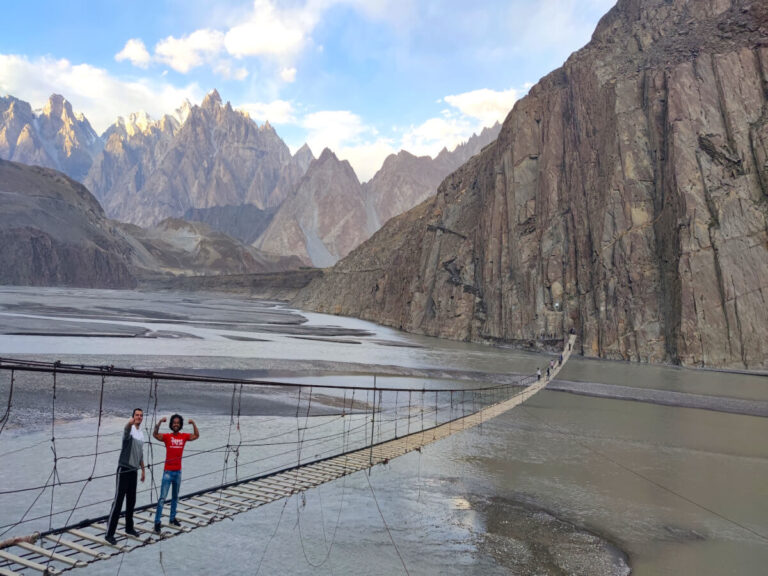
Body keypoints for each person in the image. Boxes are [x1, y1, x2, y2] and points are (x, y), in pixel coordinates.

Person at [153, 414, 199, 532]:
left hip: (178, 472)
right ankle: (157, 522)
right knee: (162, 498)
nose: (176, 424)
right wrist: (159, 422)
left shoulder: (184, 436)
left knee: (175, 497)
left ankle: (172, 518)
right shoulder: (167, 437)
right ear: (171, 424)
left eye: (178, 423)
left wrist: (193, 423)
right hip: (167, 472)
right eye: (174, 422)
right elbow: (155, 435)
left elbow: (196, 436)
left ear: (180, 425)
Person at [105, 408, 145, 545]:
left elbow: (140, 454)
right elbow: (126, 430)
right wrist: (129, 423)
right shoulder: (130, 430)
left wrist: (143, 471)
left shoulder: (141, 434)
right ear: (133, 417)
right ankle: (109, 534)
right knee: (118, 502)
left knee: (131, 501)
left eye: (140, 415)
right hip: (124, 469)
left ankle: (129, 528)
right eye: (136, 415)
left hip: (134, 470)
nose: (139, 417)